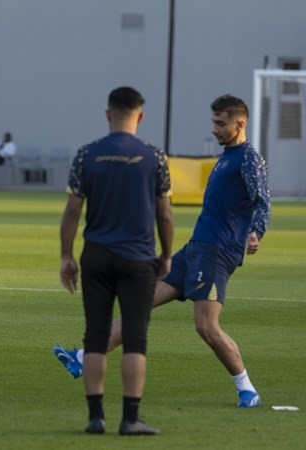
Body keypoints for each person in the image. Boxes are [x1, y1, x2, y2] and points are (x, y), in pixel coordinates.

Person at [54, 94, 270, 409]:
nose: (215, 129)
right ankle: (83, 358)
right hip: (196, 247)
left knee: (206, 326)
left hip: (216, 250)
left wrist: (256, 231)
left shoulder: (249, 158)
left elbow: (262, 198)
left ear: (241, 123)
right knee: (138, 308)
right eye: (213, 122)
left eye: (221, 123)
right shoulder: (226, 156)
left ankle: (247, 389)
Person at [57, 87, 174, 435]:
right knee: (135, 338)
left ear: (108, 114)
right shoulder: (155, 156)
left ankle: (95, 417)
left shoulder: (87, 155)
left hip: (96, 254)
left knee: (94, 336)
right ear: (140, 116)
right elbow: (165, 216)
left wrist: (66, 255)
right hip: (138, 258)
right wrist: (167, 255)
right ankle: (130, 418)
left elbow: (73, 210)